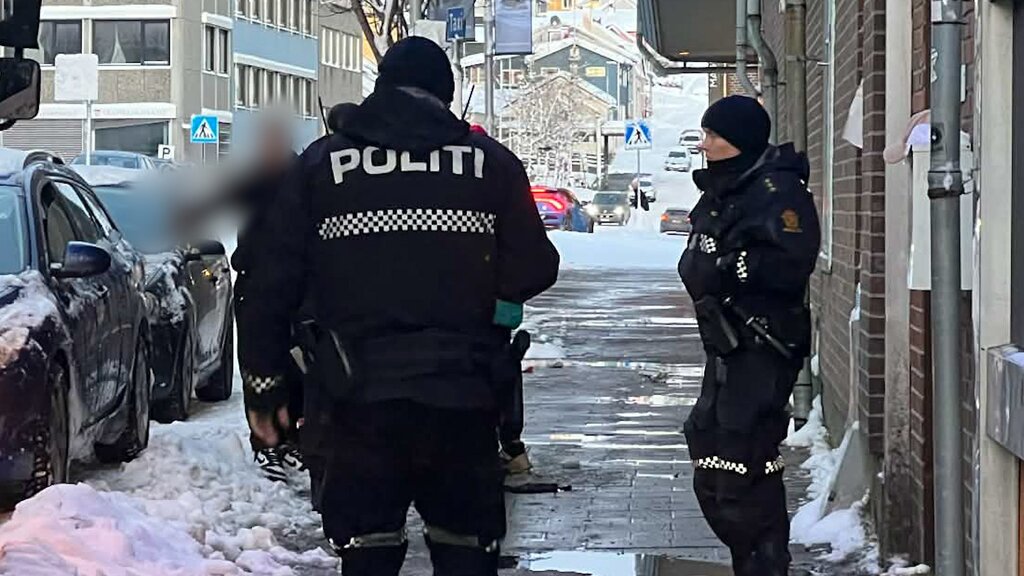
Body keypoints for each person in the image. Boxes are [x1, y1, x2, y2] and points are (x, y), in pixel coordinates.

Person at [236, 36, 559, 575]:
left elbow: (268, 284)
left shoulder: (321, 166)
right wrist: (480, 292)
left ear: (380, 89)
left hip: (355, 398)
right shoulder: (492, 165)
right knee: (464, 546)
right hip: (463, 395)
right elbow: (535, 266)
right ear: (445, 96)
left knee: (369, 547)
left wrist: (266, 387)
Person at [677, 94, 820, 576]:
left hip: (762, 344)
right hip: (726, 344)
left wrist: (731, 266)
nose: (704, 144)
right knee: (709, 448)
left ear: (739, 140)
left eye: (713, 135)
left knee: (742, 458)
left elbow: (789, 261)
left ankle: (765, 562)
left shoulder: (776, 191)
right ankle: (751, 559)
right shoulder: (725, 189)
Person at [229, 112, 307, 483]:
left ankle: (291, 438)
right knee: (259, 370)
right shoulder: (254, 178)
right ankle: (266, 443)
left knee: (294, 368)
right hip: (257, 287)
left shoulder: (302, 176)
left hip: (295, 288)